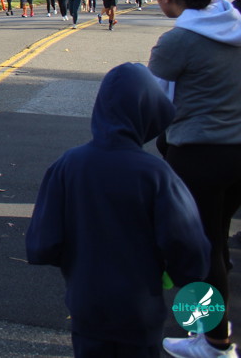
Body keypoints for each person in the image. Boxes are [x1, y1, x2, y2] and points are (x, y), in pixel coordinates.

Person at [27, 63, 210, 358]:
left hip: (86, 305)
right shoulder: (156, 174)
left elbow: (42, 244)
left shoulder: (68, 165)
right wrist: (184, 274)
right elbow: (186, 244)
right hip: (138, 309)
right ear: (149, 111)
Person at [148, 0, 241, 358]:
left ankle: (213, 341)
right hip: (238, 151)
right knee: (217, 243)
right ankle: (214, 331)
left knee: (198, 250)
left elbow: (154, 97)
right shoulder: (235, 23)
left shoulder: (178, 40)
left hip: (198, 154)